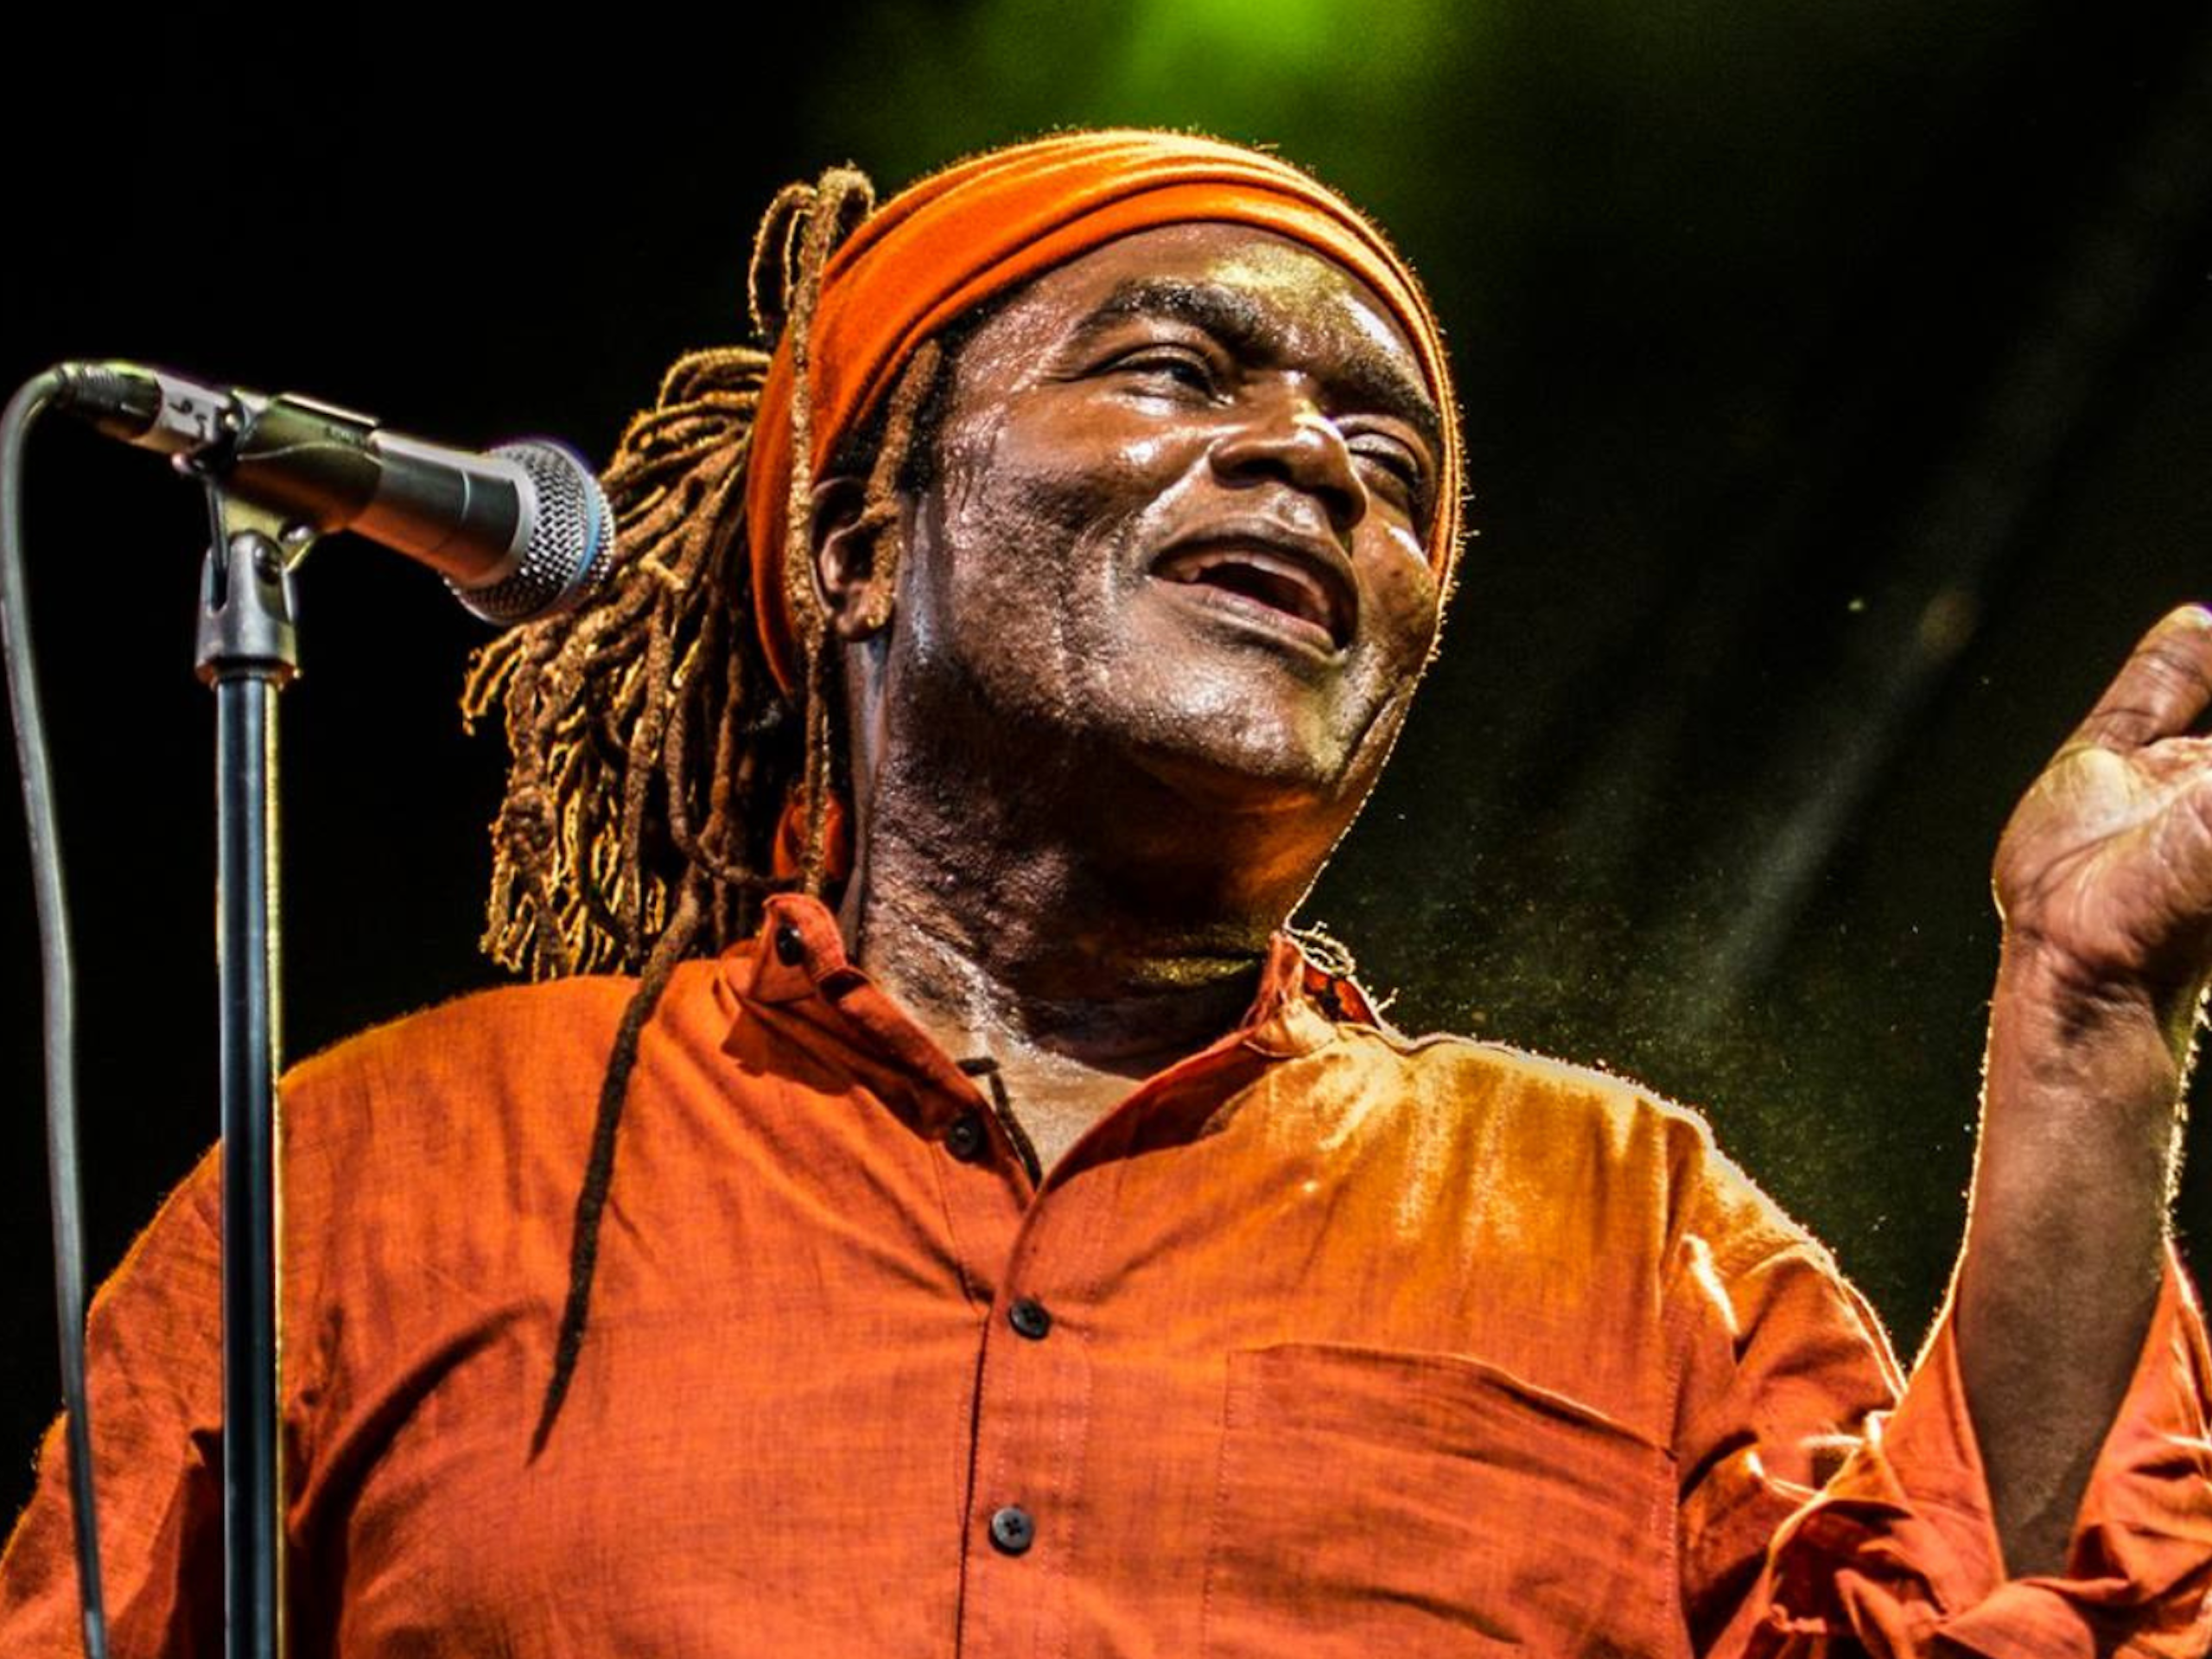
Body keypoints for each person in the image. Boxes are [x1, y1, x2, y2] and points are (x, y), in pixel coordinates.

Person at [1, 129, 2207, 1656]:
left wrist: (2084, 1027)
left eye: (1390, 464)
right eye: (1171, 369)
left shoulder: (1621, 1226)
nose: (1311, 459)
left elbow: (1982, 1624)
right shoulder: (381, 1174)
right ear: (852, 545)